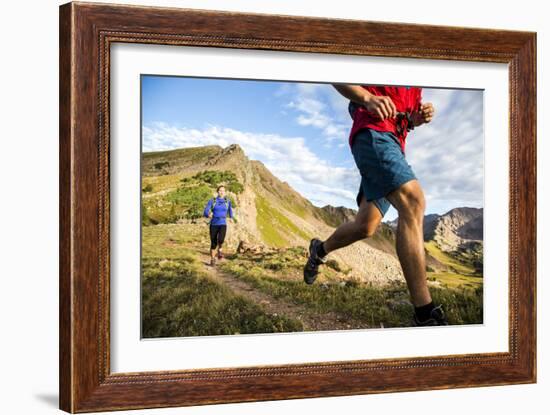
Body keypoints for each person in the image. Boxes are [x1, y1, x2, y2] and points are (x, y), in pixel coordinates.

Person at [303, 84, 448, 326]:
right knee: (413, 202)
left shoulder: (418, 83)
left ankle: (319, 250)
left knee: (365, 226)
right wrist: (367, 97)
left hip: (394, 144)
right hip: (373, 134)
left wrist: (416, 119)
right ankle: (425, 314)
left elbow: (405, 119)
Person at [203, 185, 234, 266]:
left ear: (225, 192)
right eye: (220, 190)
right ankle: (212, 259)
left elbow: (230, 210)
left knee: (221, 240)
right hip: (213, 223)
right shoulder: (212, 201)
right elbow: (206, 211)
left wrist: (231, 217)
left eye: (223, 190)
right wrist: (208, 214)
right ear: (217, 191)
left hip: (223, 223)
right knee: (213, 243)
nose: (221, 192)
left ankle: (220, 250)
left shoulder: (227, 201)